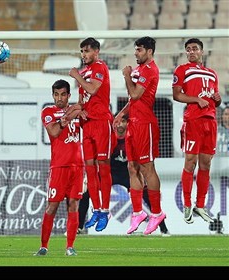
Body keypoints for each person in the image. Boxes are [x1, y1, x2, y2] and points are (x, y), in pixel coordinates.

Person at [114, 36, 166, 235]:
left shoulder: (150, 70)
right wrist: (122, 113)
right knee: (132, 166)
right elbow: (132, 99)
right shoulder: (138, 70)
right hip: (133, 124)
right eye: (136, 50)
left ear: (150, 51)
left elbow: (136, 94)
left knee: (147, 168)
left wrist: (126, 76)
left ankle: (157, 212)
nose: (136, 53)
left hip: (145, 124)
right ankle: (137, 212)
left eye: (140, 50)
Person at [65, 37, 116, 232]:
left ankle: (105, 210)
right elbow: (83, 99)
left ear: (97, 52)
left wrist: (76, 76)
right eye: (82, 52)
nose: (84, 55)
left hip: (101, 122)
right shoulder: (85, 72)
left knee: (103, 166)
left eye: (87, 51)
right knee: (90, 169)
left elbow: (94, 89)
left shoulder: (99, 67)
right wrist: (78, 110)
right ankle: (96, 209)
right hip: (87, 124)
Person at [172, 38, 222, 224]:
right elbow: (176, 95)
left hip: (210, 122)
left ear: (202, 52)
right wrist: (195, 100)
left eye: (194, 49)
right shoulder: (182, 70)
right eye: (188, 49)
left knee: (206, 164)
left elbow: (214, 99)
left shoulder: (212, 73)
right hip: (193, 121)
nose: (191, 52)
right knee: (190, 161)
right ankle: (186, 204)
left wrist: (216, 99)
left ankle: (199, 205)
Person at [35, 79, 85, 257]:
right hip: (58, 166)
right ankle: (43, 246)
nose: (59, 98)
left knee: (74, 205)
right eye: (56, 94)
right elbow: (54, 131)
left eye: (63, 94)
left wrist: (78, 111)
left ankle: (70, 246)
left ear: (68, 95)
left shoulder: (76, 110)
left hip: (78, 165)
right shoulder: (48, 112)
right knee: (52, 206)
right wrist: (67, 118)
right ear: (53, 95)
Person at [112, 114, 170, 236]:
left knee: (146, 192)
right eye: (117, 121)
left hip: (128, 174)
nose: (119, 124)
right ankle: (80, 226)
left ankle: (163, 227)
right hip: (112, 172)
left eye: (123, 121)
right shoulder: (111, 139)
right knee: (88, 190)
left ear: (128, 123)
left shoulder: (136, 135)